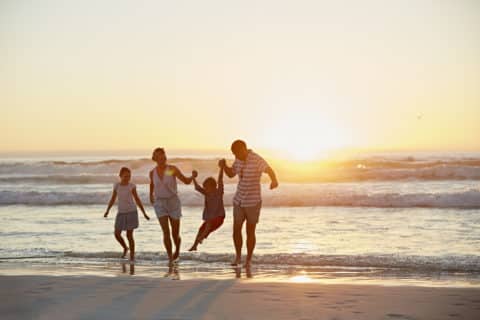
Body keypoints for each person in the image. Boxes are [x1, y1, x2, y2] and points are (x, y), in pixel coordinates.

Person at [220, 140, 278, 267]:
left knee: (250, 231)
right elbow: (230, 174)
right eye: (233, 154)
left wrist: (274, 180)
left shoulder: (256, 159)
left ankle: (248, 260)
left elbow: (269, 169)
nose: (236, 156)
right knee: (236, 229)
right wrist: (224, 166)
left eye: (237, 153)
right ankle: (238, 257)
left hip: (253, 202)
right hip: (239, 200)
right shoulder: (238, 160)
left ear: (244, 149)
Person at [149, 147, 197, 265]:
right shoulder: (152, 173)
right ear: (155, 158)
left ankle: (177, 250)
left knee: (175, 233)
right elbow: (152, 184)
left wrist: (192, 177)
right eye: (158, 156)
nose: (161, 158)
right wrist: (151, 195)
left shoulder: (170, 170)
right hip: (160, 203)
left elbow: (186, 181)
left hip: (173, 203)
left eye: (163, 155)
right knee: (165, 231)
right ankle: (170, 258)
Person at [104, 167, 150, 261]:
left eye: (129, 176)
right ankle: (125, 248)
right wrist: (107, 210)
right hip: (121, 212)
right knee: (117, 234)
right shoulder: (116, 186)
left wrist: (144, 213)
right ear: (120, 176)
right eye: (125, 176)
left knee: (129, 235)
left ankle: (132, 257)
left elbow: (137, 199)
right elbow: (113, 199)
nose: (127, 178)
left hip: (131, 212)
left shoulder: (131, 186)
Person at [188, 164, 226, 251]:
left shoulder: (219, 192)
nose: (205, 189)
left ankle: (201, 238)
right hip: (211, 218)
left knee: (208, 224)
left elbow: (220, 179)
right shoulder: (207, 193)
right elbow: (197, 187)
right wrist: (193, 177)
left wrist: (221, 168)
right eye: (205, 188)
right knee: (201, 229)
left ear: (213, 186)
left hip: (219, 217)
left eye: (207, 188)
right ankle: (194, 246)